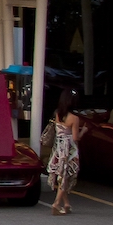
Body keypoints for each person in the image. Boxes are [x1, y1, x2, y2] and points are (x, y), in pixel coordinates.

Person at [48, 87, 88, 215]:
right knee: (66, 176)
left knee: (61, 175)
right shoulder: (74, 118)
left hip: (58, 147)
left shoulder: (57, 114)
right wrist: (83, 131)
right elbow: (76, 138)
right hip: (69, 148)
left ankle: (66, 204)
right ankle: (56, 203)